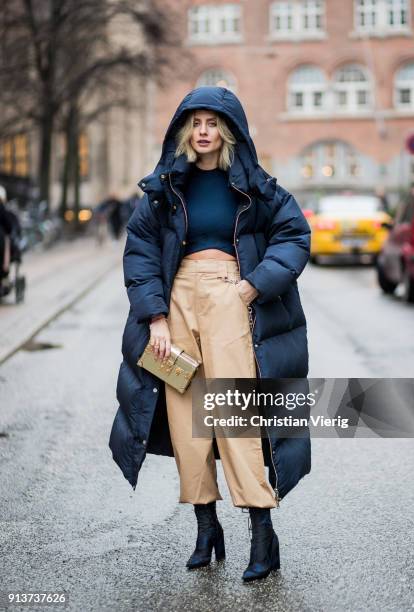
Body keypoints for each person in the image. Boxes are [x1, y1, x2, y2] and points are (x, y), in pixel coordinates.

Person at [109, 86, 312, 582]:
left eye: (212, 123)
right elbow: (139, 253)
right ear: (183, 130)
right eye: (195, 123)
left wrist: (250, 288)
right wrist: (155, 318)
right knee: (184, 417)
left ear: (229, 130)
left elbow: (294, 236)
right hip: (174, 306)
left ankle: (262, 534)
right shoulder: (163, 189)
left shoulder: (256, 187)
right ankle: (206, 528)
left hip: (231, 299)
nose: (203, 132)